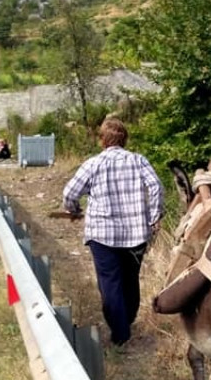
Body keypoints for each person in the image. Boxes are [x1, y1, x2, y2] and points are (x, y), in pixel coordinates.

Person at [62, 117, 164, 348]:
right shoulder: (139, 161)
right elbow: (156, 186)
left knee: (109, 283)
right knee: (130, 280)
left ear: (102, 140)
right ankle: (125, 322)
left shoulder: (93, 164)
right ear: (125, 139)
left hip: (103, 235)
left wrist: (75, 209)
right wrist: (154, 216)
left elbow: (70, 193)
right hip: (136, 233)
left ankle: (120, 333)